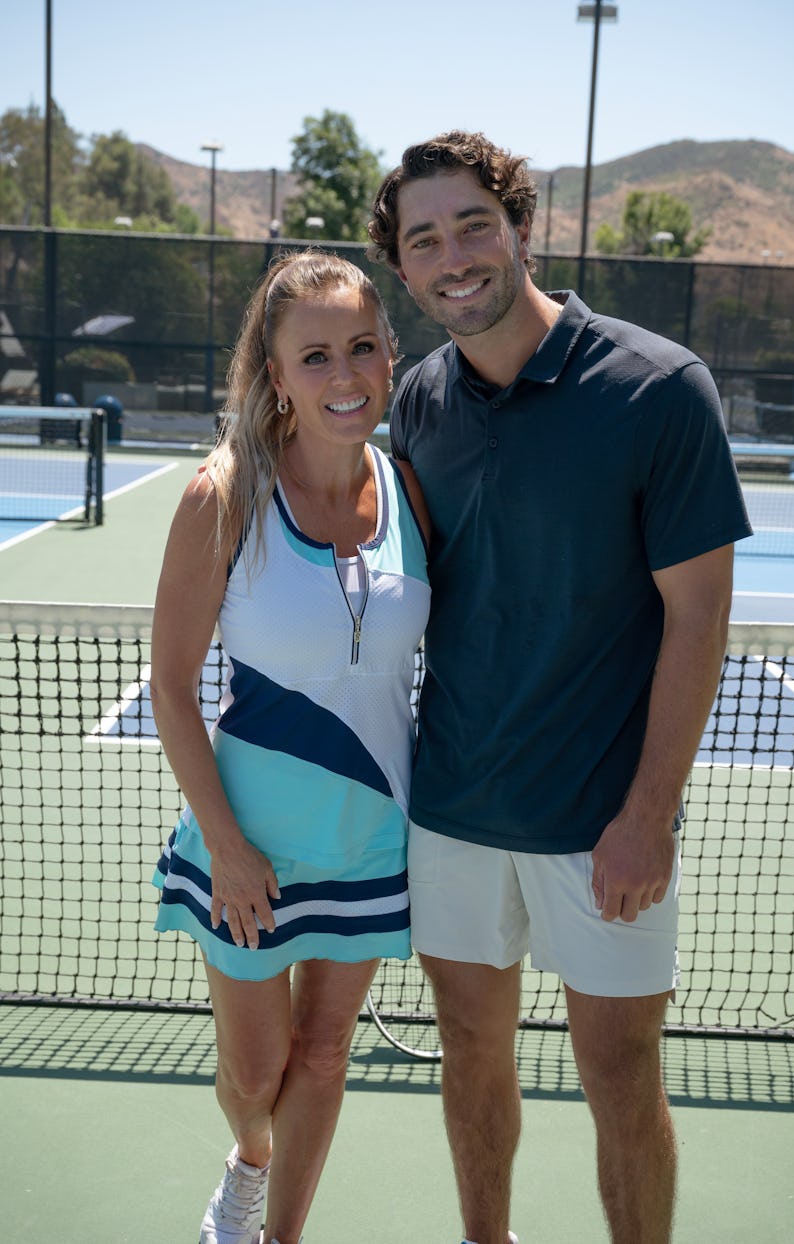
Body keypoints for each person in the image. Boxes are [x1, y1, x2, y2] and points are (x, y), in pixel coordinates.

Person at [368, 131, 752, 1244]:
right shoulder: (422, 403)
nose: (455, 255)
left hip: (601, 824)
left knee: (620, 1071)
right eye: (424, 239)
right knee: (471, 1050)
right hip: (453, 812)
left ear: (520, 225)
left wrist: (645, 817)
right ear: (405, 267)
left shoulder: (659, 388)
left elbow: (699, 616)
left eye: (473, 224)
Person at [150, 251, 430, 1244]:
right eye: (314, 355)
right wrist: (226, 844)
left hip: (369, 839)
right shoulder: (223, 495)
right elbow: (171, 688)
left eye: (361, 346)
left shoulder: (411, 492)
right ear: (274, 375)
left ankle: (278, 1234)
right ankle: (250, 1161)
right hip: (250, 846)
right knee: (257, 1072)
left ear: (390, 356)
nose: (343, 373)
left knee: (321, 1057)